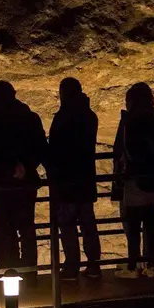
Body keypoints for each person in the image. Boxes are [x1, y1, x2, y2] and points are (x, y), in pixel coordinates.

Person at [0, 81, 46, 283]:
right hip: (25, 182)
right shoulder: (30, 118)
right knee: (26, 227)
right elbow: (40, 146)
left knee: (3, 229)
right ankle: (30, 273)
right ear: (14, 94)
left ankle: (6, 271)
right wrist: (24, 165)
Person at [112, 82, 154, 279]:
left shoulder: (129, 121)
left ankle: (133, 265)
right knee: (151, 223)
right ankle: (151, 265)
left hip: (134, 176)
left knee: (132, 224)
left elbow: (119, 149)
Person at [47, 77, 102, 280]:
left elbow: (57, 148)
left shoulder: (64, 117)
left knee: (67, 224)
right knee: (87, 222)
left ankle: (72, 265)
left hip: (66, 179)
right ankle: (94, 264)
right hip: (85, 178)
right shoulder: (89, 116)